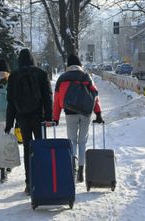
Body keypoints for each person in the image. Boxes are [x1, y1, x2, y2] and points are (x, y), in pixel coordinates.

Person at [4, 48, 53, 194]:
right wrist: (49, 117)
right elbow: (47, 97)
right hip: (39, 117)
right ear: (33, 60)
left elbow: (10, 102)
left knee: (27, 148)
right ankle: (42, 180)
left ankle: (29, 183)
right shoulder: (41, 74)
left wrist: (9, 123)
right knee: (41, 147)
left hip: (22, 118)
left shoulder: (13, 76)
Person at [53, 54, 104, 182]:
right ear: (80, 64)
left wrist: (55, 118)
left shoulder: (62, 78)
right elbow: (95, 96)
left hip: (70, 113)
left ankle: (73, 168)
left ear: (68, 65)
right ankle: (81, 171)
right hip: (86, 113)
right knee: (82, 142)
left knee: (72, 141)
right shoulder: (86, 77)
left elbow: (56, 100)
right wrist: (98, 114)